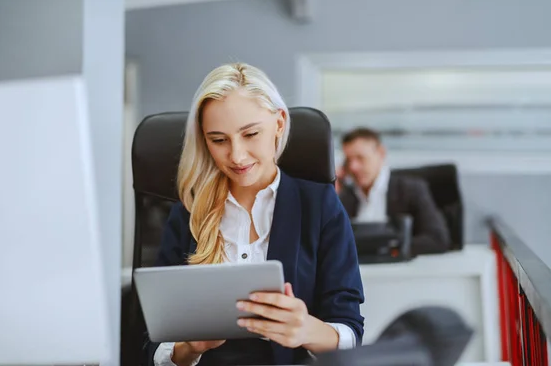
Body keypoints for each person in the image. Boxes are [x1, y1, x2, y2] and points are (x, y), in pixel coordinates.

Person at [146, 63, 364, 366]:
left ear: (279, 123)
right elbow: (154, 345)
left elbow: (350, 331)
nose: (236, 156)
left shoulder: (319, 205)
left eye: (250, 134)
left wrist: (306, 330)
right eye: (218, 140)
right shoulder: (188, 213)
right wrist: (190, 347)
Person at [336, 128, 450, 255]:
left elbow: (437, 238)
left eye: (360, 158)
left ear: (381, 153)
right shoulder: (346, 196)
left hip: (400, 270)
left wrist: (390, 249)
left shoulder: (410, 190)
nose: (353, 167)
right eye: (348, 160)